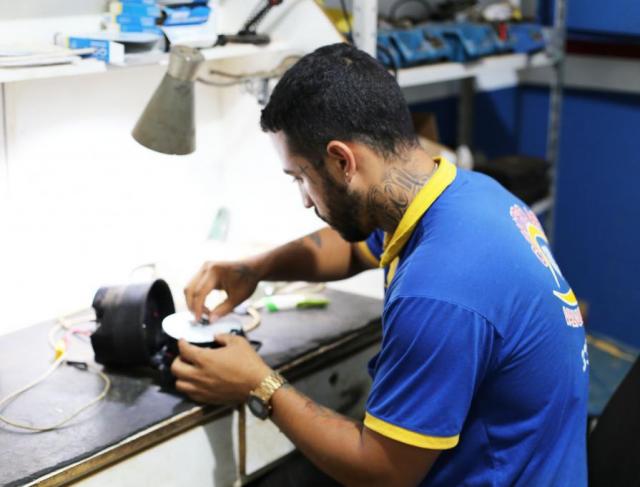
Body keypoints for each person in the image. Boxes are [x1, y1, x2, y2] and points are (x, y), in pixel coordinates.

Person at [171, 43, 588, 486]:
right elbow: (355, 249)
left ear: (342, 161)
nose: (305, 200)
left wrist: (258, 384)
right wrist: (255, 268)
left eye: (301, 178)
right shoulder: (468, 194)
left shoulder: (439, 290)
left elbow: (382, 474)